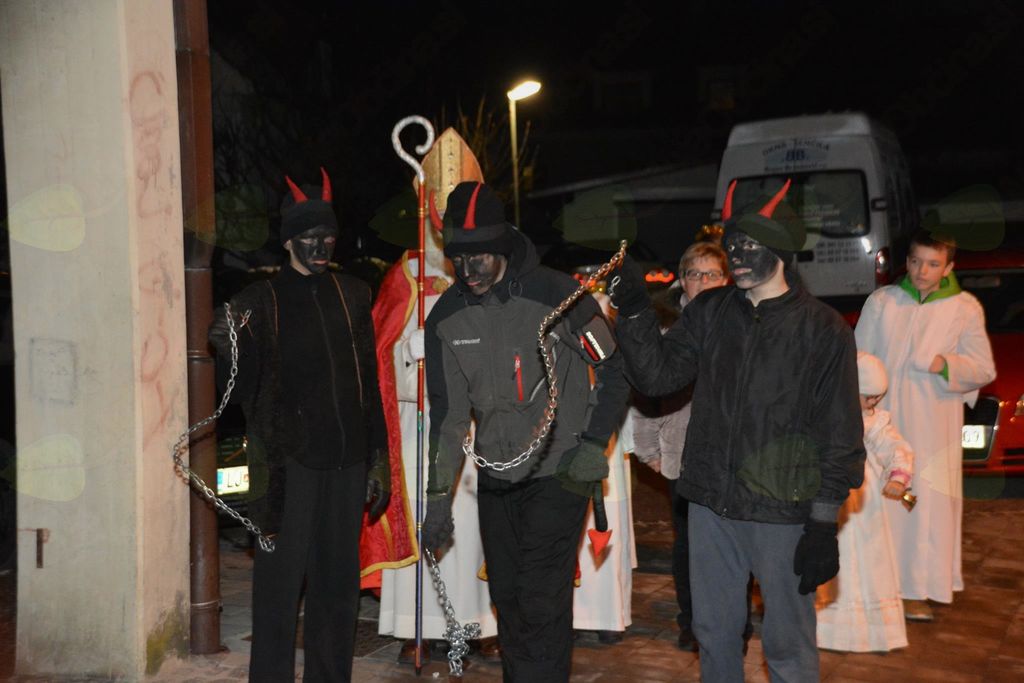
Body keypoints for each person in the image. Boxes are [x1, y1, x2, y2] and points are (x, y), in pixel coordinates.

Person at [608, 179, 865, 682]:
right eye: (732, 246)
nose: (738, 256)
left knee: (787, 645)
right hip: (710, 504)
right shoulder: (711, 311)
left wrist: (822, 524)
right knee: (714, 633)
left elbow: (839, 433)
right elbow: (657, 377)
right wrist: (636, 311)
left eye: (750, 245)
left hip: (781, 511)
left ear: (781, 249)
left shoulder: (822, 329)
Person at [420, 181, 629, 682]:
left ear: (504, 246)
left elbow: (615, 369)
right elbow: (448, 416)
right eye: (457, 259)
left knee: (540, 598)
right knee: (508, 597)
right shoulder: (447, 316)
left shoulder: (558, 296)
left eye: (479, 257)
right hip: (497, 475)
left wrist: (593, 445)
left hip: (560, 469)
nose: (468, 270)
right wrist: (438, 498)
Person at [208, 168, 390, 682]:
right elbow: (236, 391)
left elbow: (368, 382)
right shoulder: (258, 302)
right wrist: (226, 348)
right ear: (288, 240)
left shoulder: (353, 294)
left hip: (346, 460)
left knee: (338, 588)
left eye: (329, 236)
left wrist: (378, 458)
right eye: (310, 236)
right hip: (286, 467)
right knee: (278, 588)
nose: (321, 245)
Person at [370, 182, 499, 662]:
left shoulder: (487, 273)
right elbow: (380, 355)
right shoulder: (405, 275)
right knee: (424, 516)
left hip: (473, 425)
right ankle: (417, 627)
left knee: (473, 524)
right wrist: (410, 351)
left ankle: (479, 622)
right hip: (418, 420)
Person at [854, 229, 996, 622]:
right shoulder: (883, 302)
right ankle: (879, 586)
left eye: (933, 264)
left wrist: (944, 365)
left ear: (948, 267)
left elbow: (983, 367)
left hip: (934, 425)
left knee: (924, 507)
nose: (922, 271)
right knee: (881, 502)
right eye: (916, 261)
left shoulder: (964, 308)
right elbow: (858, 355)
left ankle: (916, 588)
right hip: (885, 423)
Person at [629, 240, 730, 652]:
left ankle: (734, 623)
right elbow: (644, 390)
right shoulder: (665, 325)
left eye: (711, 274)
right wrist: (648, 449)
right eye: (694, 274)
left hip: (730, 452)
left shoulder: (741, 321)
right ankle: (692, 622)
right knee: (689, 542)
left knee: (733, 542)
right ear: (682, 280)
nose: (702, 282)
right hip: (682, 451)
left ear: (727, 279)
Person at [816, 351, 913, 652]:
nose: (872, 403)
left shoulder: (874, 422)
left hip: (864, 504)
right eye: (867, 396)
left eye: (876, 398)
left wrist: (898, 476)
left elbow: (894, 446)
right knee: (834, 557)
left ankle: (868, 628)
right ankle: (825, 627)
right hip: (831, 498)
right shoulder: (824, 415)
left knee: (870, 561)